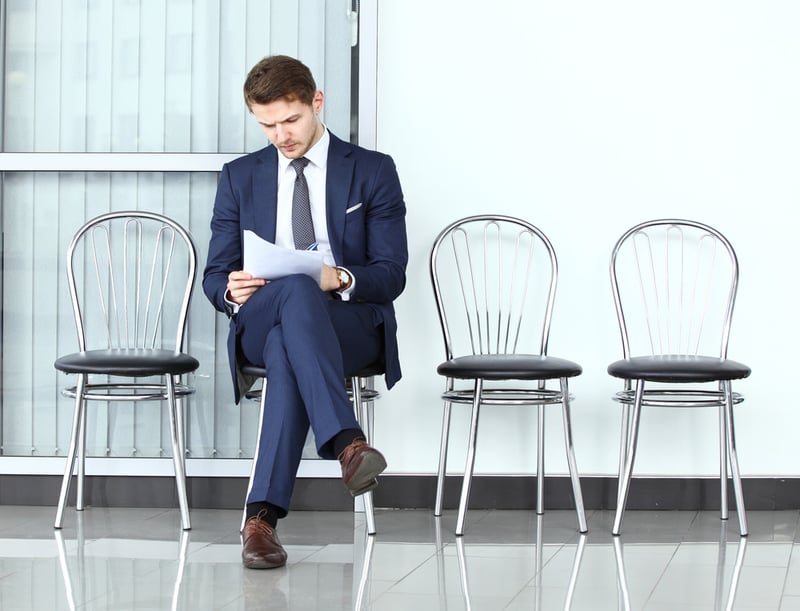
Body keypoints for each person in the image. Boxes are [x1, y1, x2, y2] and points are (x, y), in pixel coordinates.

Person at [203, 55, 408, 569]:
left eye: (290, 120)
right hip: (262, 312)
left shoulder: (372, 171)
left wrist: (336, 276)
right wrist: (232, 290)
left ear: (317, 103)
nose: (280, 135)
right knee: (290, 296)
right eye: (266, 125)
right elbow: (214, 274)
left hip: (347, 321)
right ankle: (347, 441)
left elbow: (391, 274)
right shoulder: (240, 176)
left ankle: (261, 521)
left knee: (290, 336)